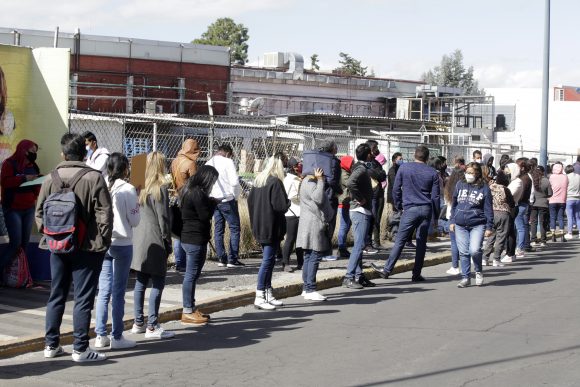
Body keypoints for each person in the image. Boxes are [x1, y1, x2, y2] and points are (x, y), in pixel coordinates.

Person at [37, 133, 112, 362]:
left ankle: (51, 345)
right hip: (87, 246)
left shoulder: (51, 178)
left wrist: (51, 235)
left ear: (63, 154)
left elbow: (39, 213)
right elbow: (105, 214)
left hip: (57, 245)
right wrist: (102, 241)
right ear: (85, 153)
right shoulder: (94, 177)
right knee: (83, 298)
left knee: (56, 295)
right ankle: (80, 348)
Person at [371, 145, 440, 282]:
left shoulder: (404, 168)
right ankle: (416, 274)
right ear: (427, 157)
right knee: (421, 242)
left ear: (414, 155)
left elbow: (396, 188)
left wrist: (398, 205)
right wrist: (435, 216)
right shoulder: (432, 173)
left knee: (400, 240)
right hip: (425, 209)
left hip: (410, 208)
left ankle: (387, 269)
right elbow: (435, 197)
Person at [94, 153, 140, 350]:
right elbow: (135, 220)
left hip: (103, 242)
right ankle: (117, 335)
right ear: (125, 169)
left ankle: (100, 334)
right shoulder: (128, 189)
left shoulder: (102, 184)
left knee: (103, 290)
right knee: (118, 291)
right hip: (122, 243)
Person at [131, 151, 175, 339]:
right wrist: (168, 240)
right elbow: (163, 218)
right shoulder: (161, 187)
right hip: (155, 237)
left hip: (138, 238)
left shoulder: (137, 185)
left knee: (140, 281)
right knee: (158, 280)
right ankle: (152, 324)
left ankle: (138, 322)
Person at [248, 156, 290, 310]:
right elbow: (281, 206)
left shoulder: (258, 181)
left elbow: (250, 202)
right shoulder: (275, 182)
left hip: (259, 225)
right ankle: (260, 294)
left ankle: (267, 292)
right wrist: (288, 202)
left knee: (270, 260)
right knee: (267, 261)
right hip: (271, 226)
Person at [180, 165, 219, 325]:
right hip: (195, 238)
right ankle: (187, 310)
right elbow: (205, 215)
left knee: (193, 274)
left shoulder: (187, 189)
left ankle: (191, 307)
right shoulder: (197, 193)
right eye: (213, 181)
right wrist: (213, 203)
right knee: (191, 275)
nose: (213, 185)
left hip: (188, 236)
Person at [450, 162, 493, 287]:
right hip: (460, 224)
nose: (468, 175)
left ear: (477, 173)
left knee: (474, 250)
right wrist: (452, 221)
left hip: (477, 224)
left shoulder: (484, 187)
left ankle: (478, 271)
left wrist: (489, 226)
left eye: (471, 173)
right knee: (463, 252)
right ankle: (466, 277)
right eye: (467, 172)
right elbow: (454, 204)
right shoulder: (460, 184)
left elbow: (488, 208)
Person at [0, 139, 40, 273]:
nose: (34, 154)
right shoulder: (9, 164)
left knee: (24, 244)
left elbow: (36, 188)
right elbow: (5, 182)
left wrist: (40, 181)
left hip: (28, 208)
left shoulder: (33, 166)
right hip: (13, 209)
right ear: (23, 150)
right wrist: (24, 178)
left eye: (35, 151)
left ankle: (19, 275)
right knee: (15, 243)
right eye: (32, 151)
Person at [297, 167, 334, 300]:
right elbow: (318, 198)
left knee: (309, 256)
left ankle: (306, 288)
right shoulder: (311, 182)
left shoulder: (306, 180)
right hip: (313, 222)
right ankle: (310, 289)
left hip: (309, 222)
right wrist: (320, 180)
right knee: (314, 255)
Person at [343, 143, 376, 289]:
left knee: (360, 244)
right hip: (360, 211)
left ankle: (359, 275)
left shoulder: (359, 166)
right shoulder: (361, 168)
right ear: (368, 154)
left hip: (360, 211)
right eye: (371, 153)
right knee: (358, 246)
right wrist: (360, 198)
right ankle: (349, 277)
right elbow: (350, 183)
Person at [205, 144, 244, 267]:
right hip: (227, 199)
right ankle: (232, 259)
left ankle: (222, 258)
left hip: (213, 199)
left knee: (218, 229)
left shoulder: (209, 162)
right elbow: (234, 182)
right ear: (228, 153)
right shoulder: (228, 161)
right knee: (234, 228)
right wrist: (236, 196)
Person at [170, 138, 201, 272]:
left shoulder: (175, 161)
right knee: (186, 231)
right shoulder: (190, 164)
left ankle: (179, 262)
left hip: (175, 196)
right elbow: (195, 184)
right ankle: (187, 263)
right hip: (187, 199)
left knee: (177, 232)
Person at [483, 170, 515, 267]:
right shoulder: (505, 189)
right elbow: (512, 203)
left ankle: (485, 258)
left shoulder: (490, 187)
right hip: (503, 214)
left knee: (491, 237)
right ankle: (496, 259)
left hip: (491, 213)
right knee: (501, 237)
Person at [317, 139, 342, 261]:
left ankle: (319, 251)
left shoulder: (317, 158)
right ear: (332, 149)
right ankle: (325, 252)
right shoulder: (333, 161)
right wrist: (340, 190)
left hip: (317, 193)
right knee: (329, 224)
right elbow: (332, 180)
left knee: (320, 224)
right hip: (329, 196)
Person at [282, 157, 303, 271]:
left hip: (299, 212)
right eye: (296, 165)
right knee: (290, 238)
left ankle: (301, 262)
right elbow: (286, 196)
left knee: (299, 240)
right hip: (291, 213)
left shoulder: (297, 178)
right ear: (292, 167)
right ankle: (285, 263)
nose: (298, 167)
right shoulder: (289, 180)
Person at [366, 140, 387, 251]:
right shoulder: (365, 162)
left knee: (377, 218)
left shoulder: (375, 162)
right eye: (375, 148)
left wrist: (379, 174)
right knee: (371, 218)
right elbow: (373, 173)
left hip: (379, 193)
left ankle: (376, 242)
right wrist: (378, 174)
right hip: (371, 194)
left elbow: (382, 175)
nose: (376, 151)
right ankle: (368, 243)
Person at [443, 168, 465, 275]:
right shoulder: (465, 186)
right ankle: (466, 264)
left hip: (451, 217)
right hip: (464, 216)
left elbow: (446, 201)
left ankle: (455, 266)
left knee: (454, 243)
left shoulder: (449, 187)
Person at [501, 160, 523, 263]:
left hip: (512, 207)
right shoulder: (511, 181)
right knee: (508, 230)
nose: (506, 172)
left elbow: (509, 194)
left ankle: (510, 253)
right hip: (507, 207)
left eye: (508, 170)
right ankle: (509, 252)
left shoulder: (517, 182)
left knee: (510, 231)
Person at [514, 158, 532, 258]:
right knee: (519, 227)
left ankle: (520, 248)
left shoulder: (524, 178)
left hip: (521, 204)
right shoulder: (524, 177)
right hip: (522, 204)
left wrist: (515, 199)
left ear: (522, 167)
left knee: (520, 227)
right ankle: (518, 247)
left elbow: (522, 193)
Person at [337, 155, 354, 258]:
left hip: (347, 202)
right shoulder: (344, 174)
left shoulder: (347, 172)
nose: (352, 165)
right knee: (344, 226)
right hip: (343, 202)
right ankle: (341, 247)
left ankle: (343, 247)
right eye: (351, 163)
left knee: (347, 224)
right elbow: (350, 184)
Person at [530, 166, 552, 247]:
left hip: (533, 203)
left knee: (533, 222)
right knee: (542, 222)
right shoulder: (546, 180)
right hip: (543, 203)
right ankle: (543, 240)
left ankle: (533, 240)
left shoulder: (532, 180)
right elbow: (550, 193)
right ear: (542, 172)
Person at [548, 162, 568, 243]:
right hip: (562, 200)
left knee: (552, 217)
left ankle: (553, 236)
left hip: (552, 200)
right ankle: (562, 236)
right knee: (560, 217)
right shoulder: (565, 177)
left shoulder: (551, 177)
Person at [564, 164, 580, 240]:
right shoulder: (578, 176)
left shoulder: (566, 177)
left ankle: (570, 233)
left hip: (569, 198)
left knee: (569, 217)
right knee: (577, 217)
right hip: (578, 198)